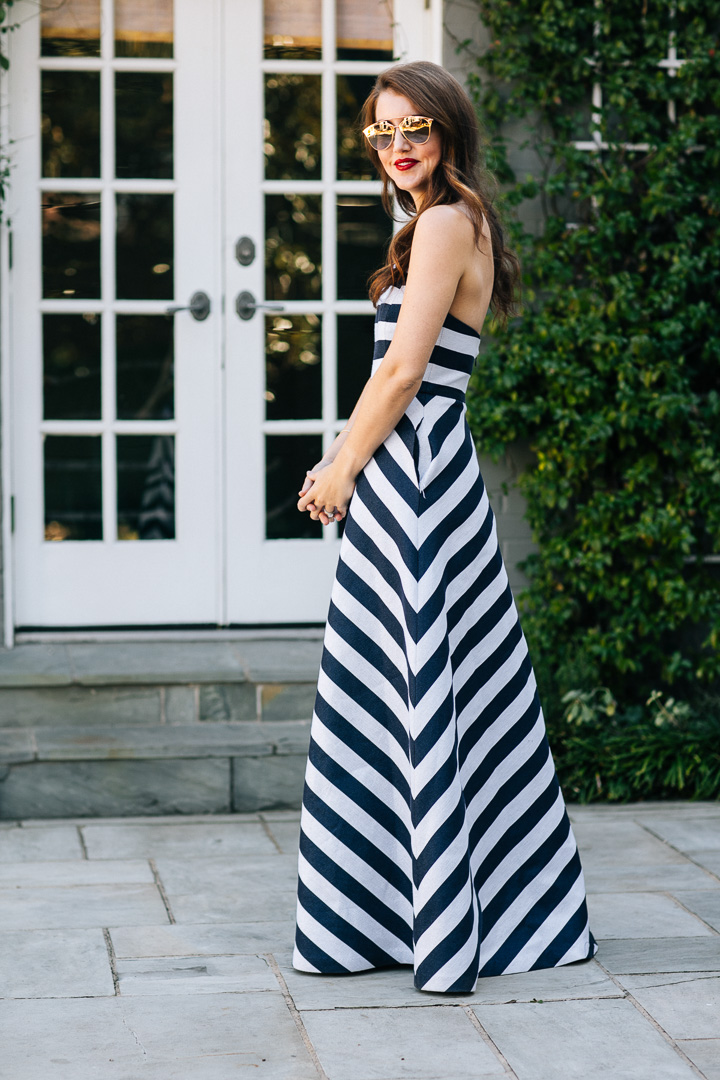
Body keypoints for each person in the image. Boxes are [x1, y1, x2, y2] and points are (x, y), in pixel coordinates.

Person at [292, 60, 597, 994]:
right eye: (381, 132)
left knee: (422, 685)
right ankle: (421, 912)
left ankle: (434, 924)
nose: (397, 146)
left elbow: (403, 375)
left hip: (414, 475)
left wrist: (342, 462)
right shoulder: (434, 223)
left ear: (449, 129)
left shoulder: (446, 223)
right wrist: (348, 455)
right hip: (422, 472)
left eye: (414, 127)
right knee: (419, 688)